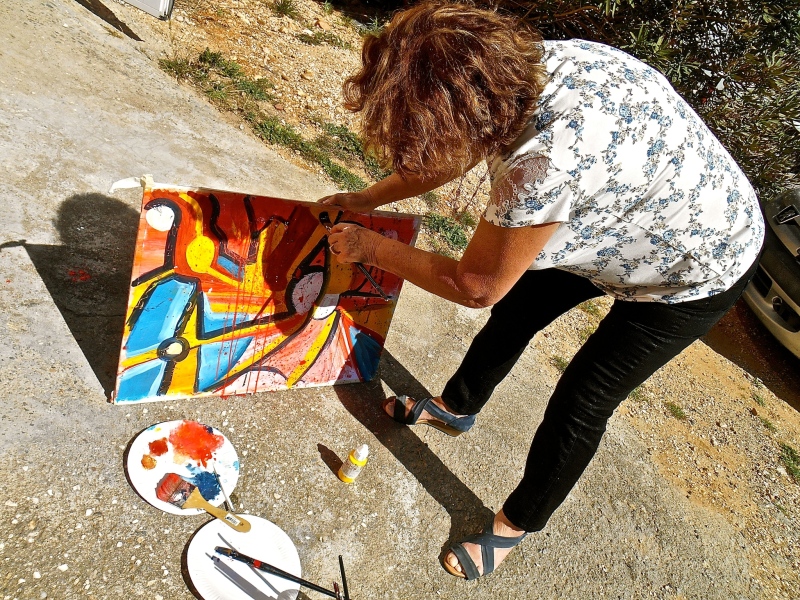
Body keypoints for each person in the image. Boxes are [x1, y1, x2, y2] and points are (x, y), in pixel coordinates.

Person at [318, 1, 764, 581]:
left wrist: (371, 247)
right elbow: (459, 146)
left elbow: (476, 286)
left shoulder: (543, 166)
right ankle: (457, 408)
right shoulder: (523, 68)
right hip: (614, 214)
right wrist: (366, 200)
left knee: (583, 398)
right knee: (517, 312)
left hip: (697, 264)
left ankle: (515, 523)